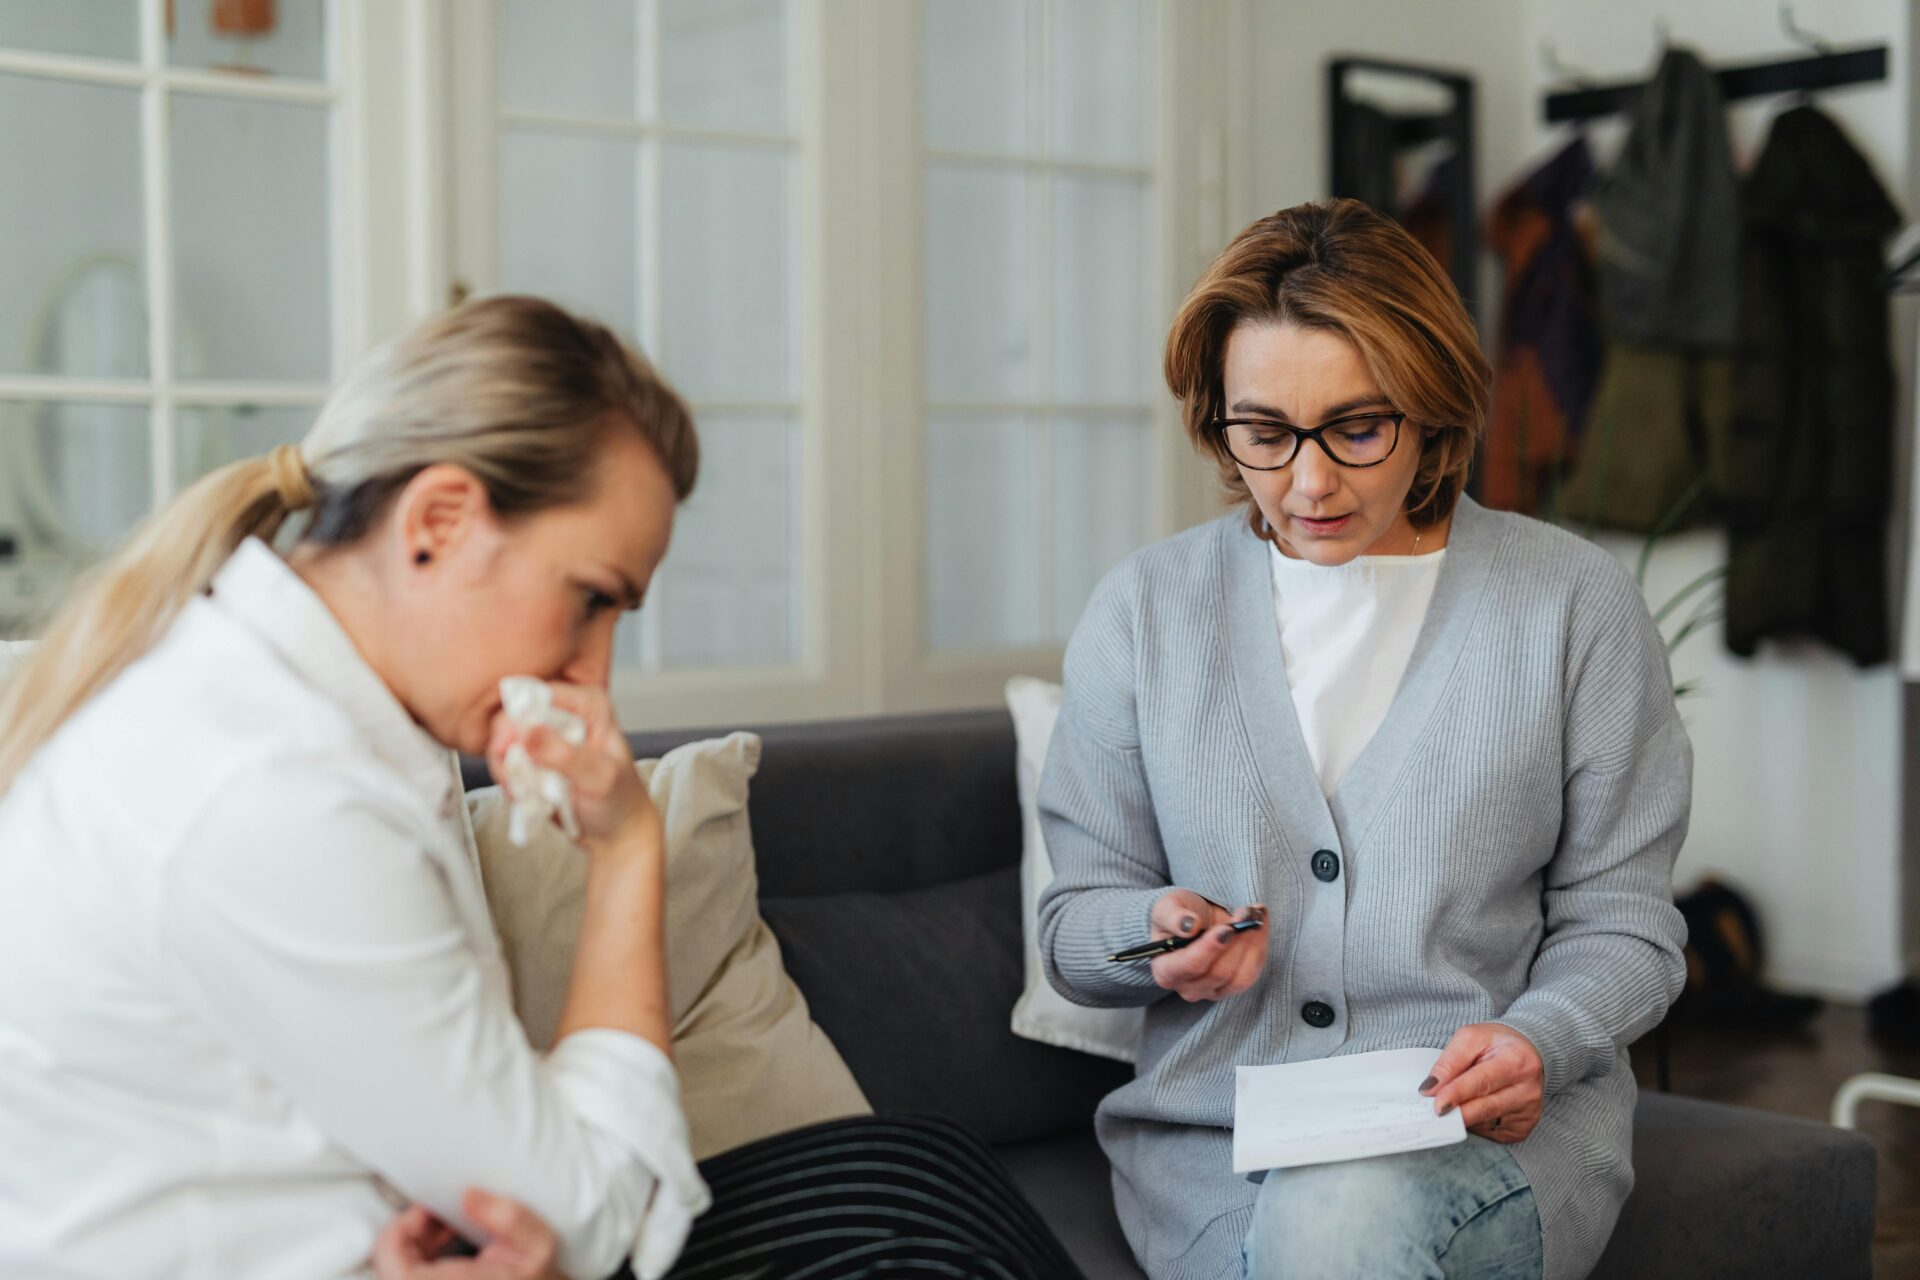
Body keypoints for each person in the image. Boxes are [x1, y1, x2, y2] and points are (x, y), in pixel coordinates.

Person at [0, 297, 1079, 1280]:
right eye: (590, 599)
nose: (592, 676)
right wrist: (628, 850)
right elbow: (582, 1216)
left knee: (912, 1161)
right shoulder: (278, 790)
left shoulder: (310, 712)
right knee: (920, 1237)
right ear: (438, 523)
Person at [1036, 200, 1691, 1280]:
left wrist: (1539, 1038)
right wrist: (1155, 938)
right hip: (1213, 1158)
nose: (1308, 483)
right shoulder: (1145, 612)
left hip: (1484, 1144)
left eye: (1356, 428)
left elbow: (1625, 924)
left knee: (1343, 1223)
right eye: (1264, 433)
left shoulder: (1572, 606)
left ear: (1432, 409)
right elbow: (1073, 933)